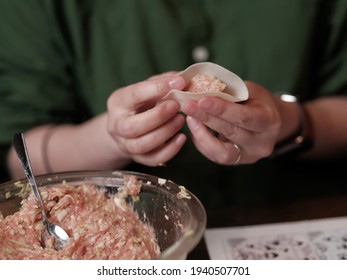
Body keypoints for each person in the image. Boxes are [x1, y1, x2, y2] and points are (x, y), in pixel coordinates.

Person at [1, 0, 347, 208]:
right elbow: (22, 161)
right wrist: (115, 135)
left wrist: (289, 121)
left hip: (290, 215)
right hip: (124, 239)